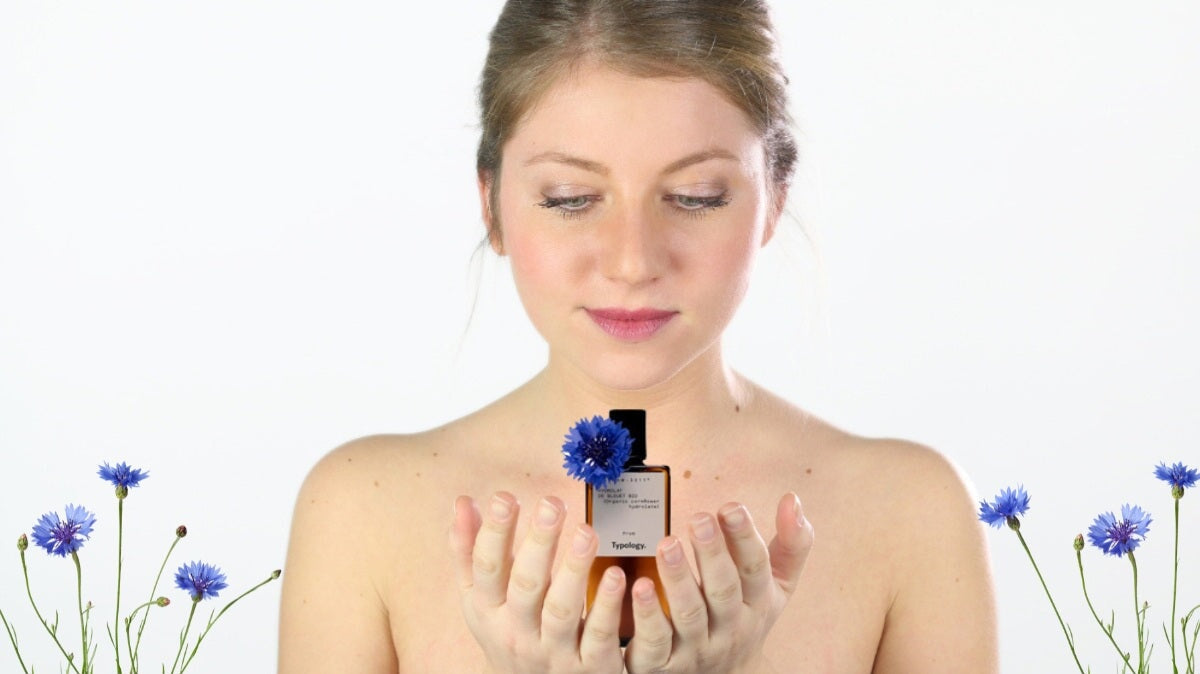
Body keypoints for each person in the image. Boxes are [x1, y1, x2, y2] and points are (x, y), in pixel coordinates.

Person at [278, 1, 999, 671]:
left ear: (774, 200)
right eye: (570, 199)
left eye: (695, 197)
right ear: (491, 205)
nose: (632, 262)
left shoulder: (908, 516)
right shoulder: (364, 515)